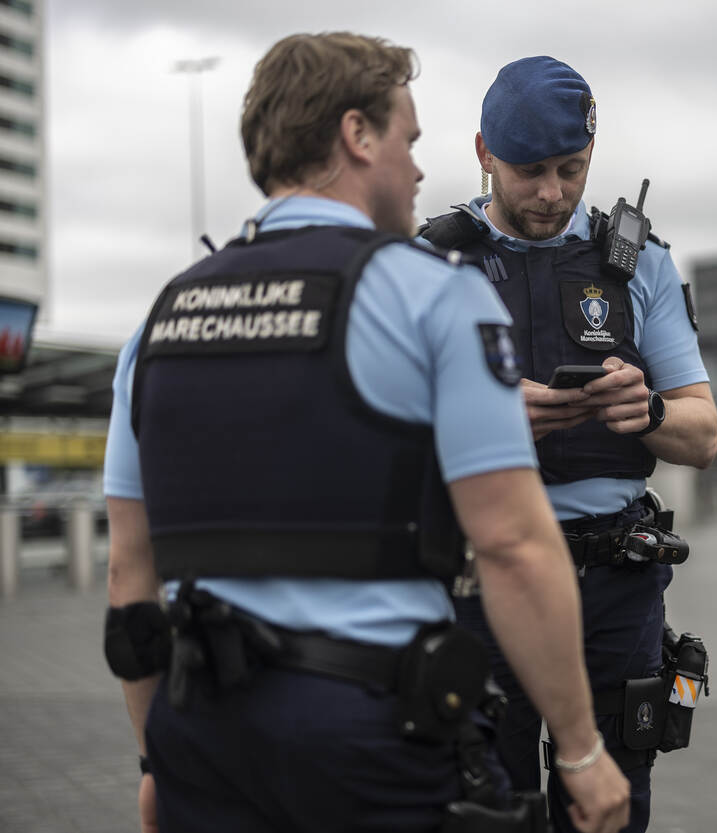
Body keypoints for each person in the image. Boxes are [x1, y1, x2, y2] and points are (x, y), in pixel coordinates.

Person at [102, 32, 630, 833]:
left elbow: (128, 577)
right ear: (357, 135)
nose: (419, 170)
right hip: (374, 735)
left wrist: (154, 762)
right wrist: (583, 752)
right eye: (408, 141)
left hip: (201, 731)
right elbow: (515, 547)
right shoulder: (431, 297)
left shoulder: (162, 318)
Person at [418, 56, 717, 833]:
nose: (552, 192)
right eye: (528, 171)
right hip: (487, 579)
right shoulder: (427, 264)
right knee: (490, 801)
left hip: (618, 581)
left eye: (570, 169)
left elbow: (704, 431)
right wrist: (486, 420)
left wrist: (645, 408)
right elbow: (382, 441)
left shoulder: (639, 260)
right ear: (483, 151)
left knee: (614, 804)